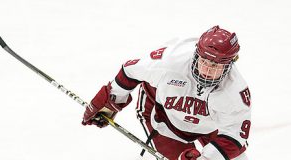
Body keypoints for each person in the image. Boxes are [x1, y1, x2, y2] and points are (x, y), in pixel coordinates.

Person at [82, 25, 251, 160]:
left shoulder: (235, 92)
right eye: (204, 61)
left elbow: (234, 137)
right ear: (196, 54)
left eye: (215, 65)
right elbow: (130, 70)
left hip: (210, 126)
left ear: (229, 65)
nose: (207, 69)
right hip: (164, 120)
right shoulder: (170, 61)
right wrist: (112, 100)